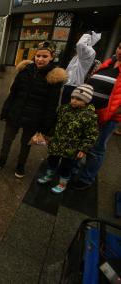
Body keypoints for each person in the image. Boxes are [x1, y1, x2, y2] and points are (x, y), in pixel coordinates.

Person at [0, 41, 67, 178]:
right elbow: (13, 93)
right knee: (7, 139)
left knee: (26, 143)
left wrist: (46, 126)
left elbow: (51, 105)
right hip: (15, 112)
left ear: (52, 57)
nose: (40, 59)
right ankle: (1, 160)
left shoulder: (54, 77)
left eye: (44, 56)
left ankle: (21, 165)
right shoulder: (25, 70)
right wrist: (6, 110)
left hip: (34, 117)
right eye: (38, 55)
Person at [71, 41, 121, 190]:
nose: (120, 51)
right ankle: (73, 169)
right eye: (120, 47)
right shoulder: (108, 63)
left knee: (96, 149)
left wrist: (110, 113)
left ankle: (86, 178)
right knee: (79, 143)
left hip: (107, 118)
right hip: (88, 113)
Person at [37, 84, 98, 193]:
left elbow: (91, 135)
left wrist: (84, 149)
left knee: (66, 167)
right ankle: (49, 176)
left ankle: (62, 184)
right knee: (52, 161)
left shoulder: (90, 115)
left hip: (72, 148)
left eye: (78, 99)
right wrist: (48, 136)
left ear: (86, 101)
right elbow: (55, 123)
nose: (74, 101)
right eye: (72, 97)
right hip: (56, 143)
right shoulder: (64, 108)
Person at [61, 31, 101, 105]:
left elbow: (80, 44)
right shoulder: (79, 56)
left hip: (73, 87)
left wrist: (86, 34)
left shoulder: (89, 52)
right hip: (69, 86)